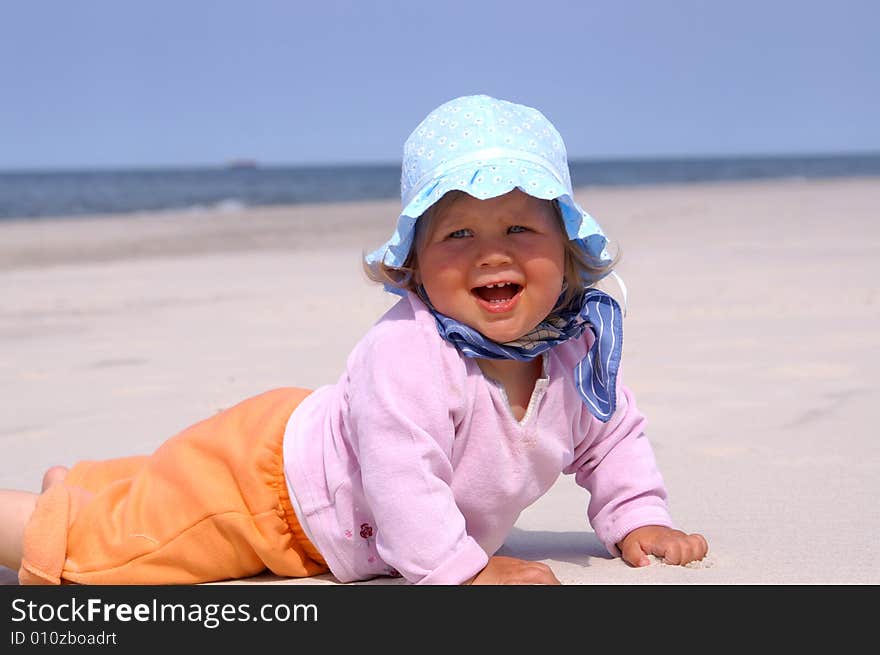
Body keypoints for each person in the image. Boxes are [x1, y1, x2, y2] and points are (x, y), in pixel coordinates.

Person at [0, 94, 708, 586]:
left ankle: (88, 481)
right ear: (416, 264)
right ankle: (55, 506)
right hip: (268, 494)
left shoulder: (577, 354)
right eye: (458, 233)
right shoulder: (409, 349)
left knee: (153, 489)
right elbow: (400, 476)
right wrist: (462, 570)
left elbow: (612, 439)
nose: (493, 254)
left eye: (521, 228)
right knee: (103, 550)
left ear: (568, 247)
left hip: (296, 445)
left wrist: (636, 517)